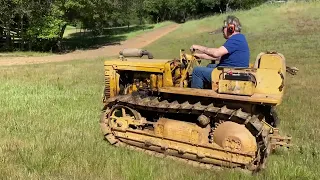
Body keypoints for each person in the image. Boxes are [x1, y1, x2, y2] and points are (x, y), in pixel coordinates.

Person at [190, 15, 250, 89]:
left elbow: (216, 53)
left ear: (231, 28)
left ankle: (197, 97)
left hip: (229, 73)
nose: (222, 30)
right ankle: (210, 91)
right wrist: (199, 55)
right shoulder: (239, 38)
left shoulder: (235, 40)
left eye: (224, 27)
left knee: (197, 71)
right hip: (233, 69)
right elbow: (219, 57)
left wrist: (198, 47)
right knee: (209, 66)